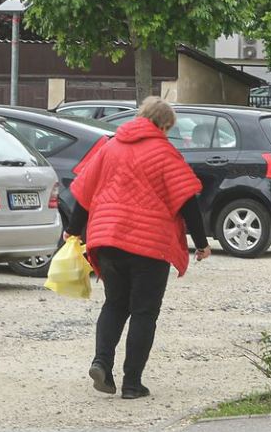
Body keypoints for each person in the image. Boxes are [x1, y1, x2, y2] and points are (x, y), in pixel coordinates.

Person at [67, 96, 211, 399]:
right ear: (163, 125)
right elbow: (187, 200)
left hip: (108, 239)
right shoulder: (164, 152)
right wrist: (201, 243)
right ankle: (132, 384)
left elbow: (84, 193)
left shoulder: (109, 147)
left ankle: (101, 363)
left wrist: (73, 231)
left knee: (114, 304)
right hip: (150, 246)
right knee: (144, 312)